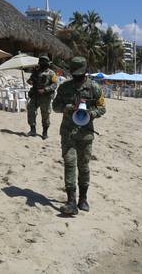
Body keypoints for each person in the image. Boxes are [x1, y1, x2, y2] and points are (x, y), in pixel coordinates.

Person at [52, 57, 106, 215]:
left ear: (85, 71)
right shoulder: (64, 87)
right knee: (69, 163)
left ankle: (83, 199)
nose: (77, 77)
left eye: (80, 74)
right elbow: (55, 106)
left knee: (83, 167)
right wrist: (68, 108)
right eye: (75, 74)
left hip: (86, 134)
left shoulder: (94, 88)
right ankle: (71, 201)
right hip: (68, 133)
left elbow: (102, 108)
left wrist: (91, 113)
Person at [26, 55, 58, 139]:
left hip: (45, 97)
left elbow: (54, 84)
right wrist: (30, 80)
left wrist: (45, 90)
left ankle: (45, 132)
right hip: (35, 95)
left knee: (45, 114)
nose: (42, 64)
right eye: (41, 62)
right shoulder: (36, 72)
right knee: (31, 110)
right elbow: (30, 81)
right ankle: (32, 130)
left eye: (44, 62)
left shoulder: (51, 73)